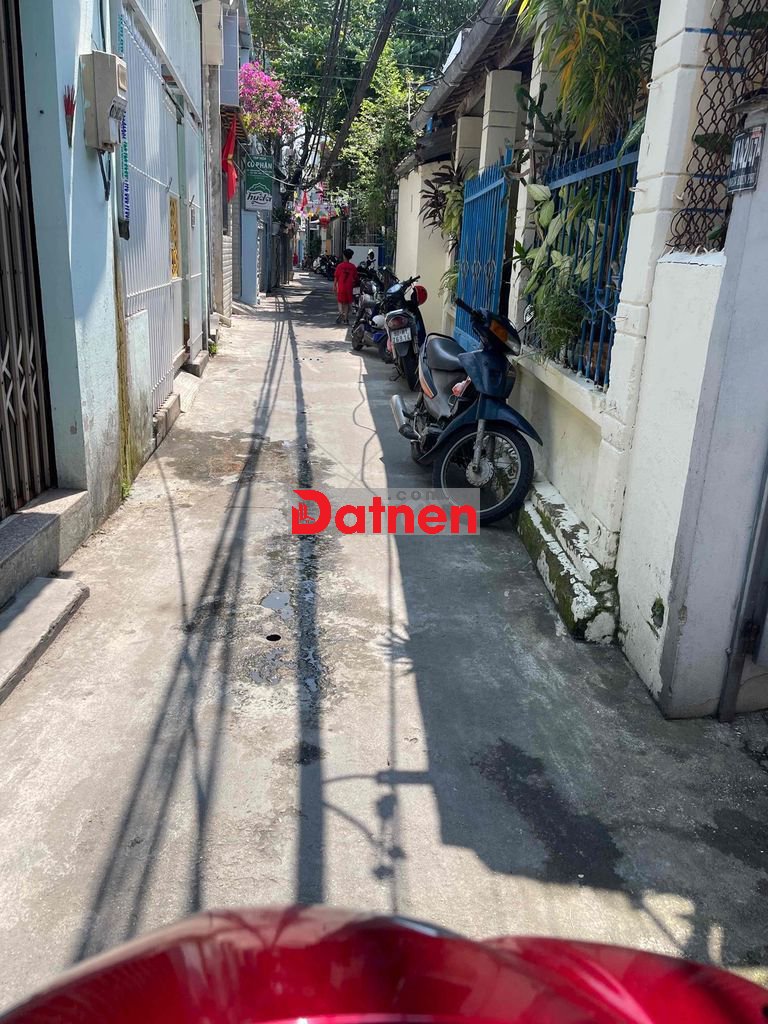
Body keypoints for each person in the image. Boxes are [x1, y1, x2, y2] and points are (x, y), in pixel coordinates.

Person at [333, 248, 358, 325]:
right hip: (349, 287)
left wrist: (334, 286)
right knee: (346, 303)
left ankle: (341, 312)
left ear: (344, 256)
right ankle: (345, 320)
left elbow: (336, 277)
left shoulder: (340, 266)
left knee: (340, 301)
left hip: (341, 286)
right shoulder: (353, 267)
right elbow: (356, 278)